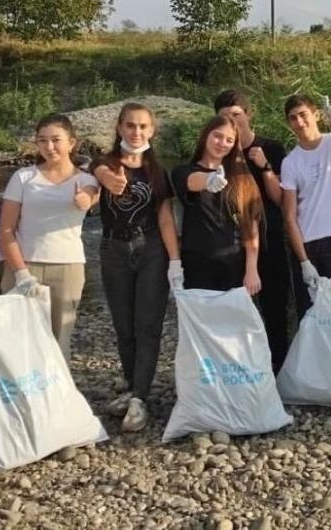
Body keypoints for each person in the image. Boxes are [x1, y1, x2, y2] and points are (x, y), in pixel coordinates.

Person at [91, 102, 182, 432]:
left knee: (148, 324)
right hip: (113, 247)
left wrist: (175, 261)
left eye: (143, 126)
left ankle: (140, 397)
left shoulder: (158, 172)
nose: (136, 131)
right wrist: (104, 177)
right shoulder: (105, 163)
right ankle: (131, 385)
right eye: (130, 125)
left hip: (152, 249)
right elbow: (94, 170)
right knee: (123, 324)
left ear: (152, 130)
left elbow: (166, 218)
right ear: (119, 128)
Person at [0, 113, 99, 365]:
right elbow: (6, 230)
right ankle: (19, 400)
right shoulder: (23, 177)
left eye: (56, 140)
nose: (49, 147)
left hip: (67, 268)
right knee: (18, 340)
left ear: (72, 142)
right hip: (23, 266)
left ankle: (57, 401)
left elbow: (90, 196)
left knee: (58, 340)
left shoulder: (86, 180)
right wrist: (21, 272)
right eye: (42, 141)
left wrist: (84, 201)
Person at [213, 89, 291, 371]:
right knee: (237, 308)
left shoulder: (271, 147)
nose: (231, 122)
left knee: (274, 309)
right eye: (224, 117)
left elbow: (280, 198)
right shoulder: (221, 151)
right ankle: (244, 369)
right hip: (232, 243)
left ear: (248, 114)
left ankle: (278, 370)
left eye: (236, 115)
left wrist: (265, 166)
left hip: (269, 239)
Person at [280, 93, 331, 317]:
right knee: (311, 315)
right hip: (307, 244)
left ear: (317, 115)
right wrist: (304, 262)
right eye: (293, 118)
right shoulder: (290, 162)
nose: (299, 122)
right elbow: (290, 216)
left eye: (303, 115)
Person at [170, 116, 263, 296]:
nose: (222, 143)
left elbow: (251, 225)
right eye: (217, 136)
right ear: (206, 135)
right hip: (197, 264)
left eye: (229, 140)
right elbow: (192, 181)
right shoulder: (182, 171)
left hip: (234, 264)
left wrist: (252, 269)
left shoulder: (242, 178)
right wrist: (209, 180)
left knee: (237, 323)